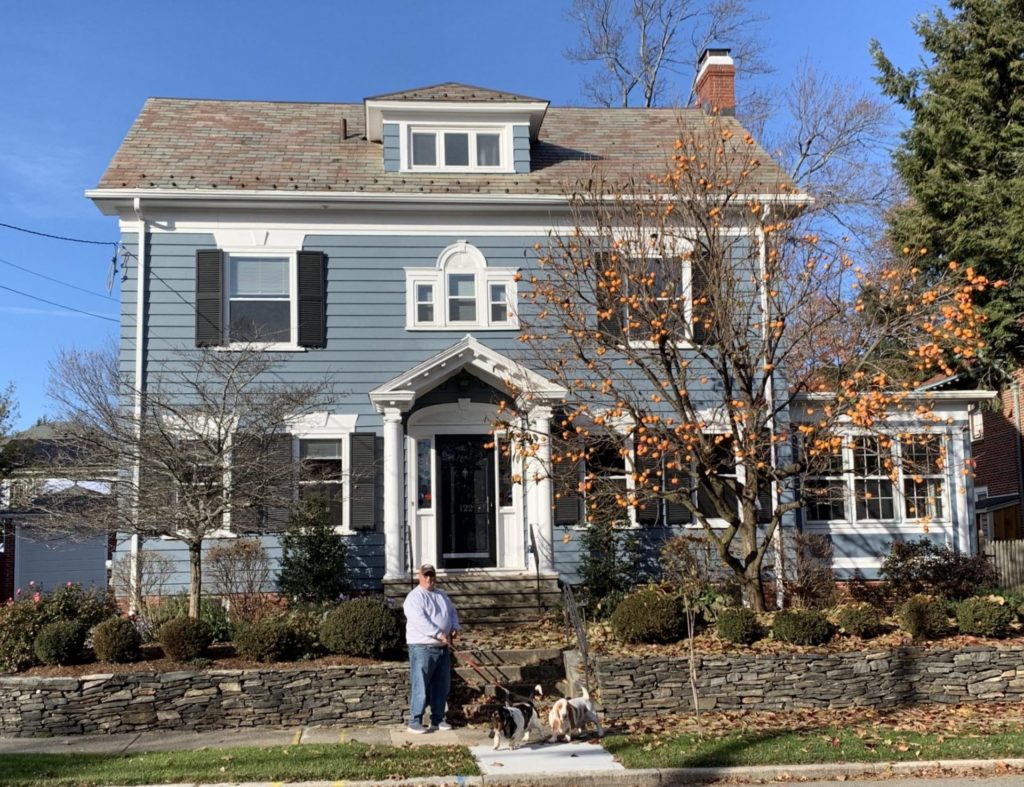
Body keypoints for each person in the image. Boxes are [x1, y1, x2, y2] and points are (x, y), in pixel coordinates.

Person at [403, 563, 460, 733]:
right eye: (426, 575)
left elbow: (452, 612)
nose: (429, 579)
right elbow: (419, 621)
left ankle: (438, 719)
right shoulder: (414, 597)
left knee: (441, 686)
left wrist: (454, 627)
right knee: (420, 685)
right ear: (419, 577)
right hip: (422, 647)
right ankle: (415, 721)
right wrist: (438, 633)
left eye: (432, 575)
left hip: (442, 648)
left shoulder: (442, 595)